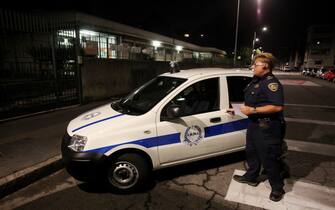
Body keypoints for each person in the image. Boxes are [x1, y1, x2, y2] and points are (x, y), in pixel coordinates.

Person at [233, 52, 287, 202]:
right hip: (254, 124)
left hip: (268, 127)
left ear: (265, 66)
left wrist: (253, 111)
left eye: (255, 65)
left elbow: (277, 107)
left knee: (269, 159)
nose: (252, 67)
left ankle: (277, 187)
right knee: (252, 153)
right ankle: (251, 177)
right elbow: (253, 104)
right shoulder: (255, 81)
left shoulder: (271, 83)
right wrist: (237, 109)